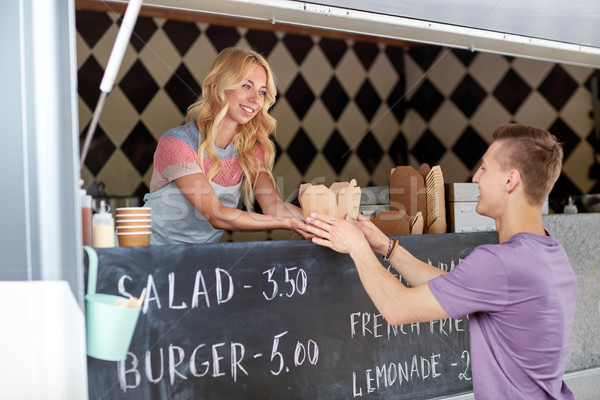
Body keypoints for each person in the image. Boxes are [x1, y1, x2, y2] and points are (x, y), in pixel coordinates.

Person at [306, 123, 577, 399]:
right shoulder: (550, 252)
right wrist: (386, 246)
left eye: (484, 168)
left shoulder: (501, 263)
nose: (475, 178)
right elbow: (450, 286)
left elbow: (396, 309)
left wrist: (356, 246)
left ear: (511, 180)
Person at [144, 47, 312, 244]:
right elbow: (217, 215)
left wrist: (318, 222)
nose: (255, 99)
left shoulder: (250, 150)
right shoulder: (177, 143)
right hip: (147, 254)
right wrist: (286, 224)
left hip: (199, 260)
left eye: (262, 92)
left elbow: (273, 206)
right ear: (217, 86)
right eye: (246, 86)